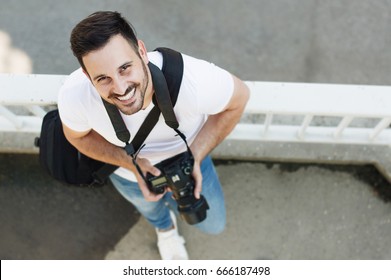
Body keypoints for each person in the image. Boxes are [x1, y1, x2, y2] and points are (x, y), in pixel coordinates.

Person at [58, 11, 249, 260]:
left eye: (125, 68)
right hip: (127, 174)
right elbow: (77, 137)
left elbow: (240, 98)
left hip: (190, 163)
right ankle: (165, 229)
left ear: (142, 51)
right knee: (150, 209)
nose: (120, 88)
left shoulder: (193, 80)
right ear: (86, 75)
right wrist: (131, 165)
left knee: (213, 224)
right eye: (102, 78)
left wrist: (195, 157)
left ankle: (167, 220)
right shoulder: (75, 96)